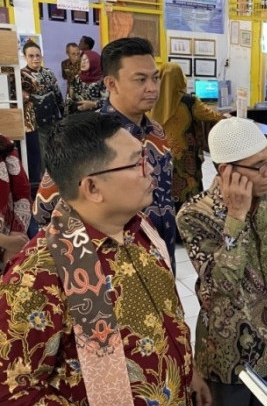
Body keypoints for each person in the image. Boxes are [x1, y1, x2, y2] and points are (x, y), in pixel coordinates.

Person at [0, 112, 211, 406]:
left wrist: (189, 373)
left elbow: (165, 321)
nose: (151, 170)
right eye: (135, 163)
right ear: (92, 187)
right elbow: (10, 395)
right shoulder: (40, 274)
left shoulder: (140, 229)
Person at [176, 117, 267, 406]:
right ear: (225, 170)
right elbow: (219, 284)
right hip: (228, 353)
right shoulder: (194, 215)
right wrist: (236, 215)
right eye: (258, 165)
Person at [33, 37, 177, 269]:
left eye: (155, 78)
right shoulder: (86, 136)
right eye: (140, 79)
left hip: (161, 252)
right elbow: (44, 209)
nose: (152, 88)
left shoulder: (157, 132)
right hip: (110, 266)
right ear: (111, 84)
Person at [150, 62, 227, 214]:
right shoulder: (189, 101)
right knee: (189, 188)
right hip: (185, 156)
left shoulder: (152, 99)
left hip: (160, 152)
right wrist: (225, 117)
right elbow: (210, 115)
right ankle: (188, 220)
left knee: (165, 186)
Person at [19, 40, 64, 194]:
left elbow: (58, 95)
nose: (35, 59)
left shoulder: (49, 73)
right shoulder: (20, 76)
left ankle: (58, 185)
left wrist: (63, 114)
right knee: (41, 157)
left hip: (53, 120)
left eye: (38, 55)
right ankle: (44, 191)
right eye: (31, 56)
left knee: (56, 152)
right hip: (35, 123)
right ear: (25, 57)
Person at [0, 134, 30, 270]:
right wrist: (6, 242)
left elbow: (22, 192)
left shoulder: (4, 144)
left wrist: (16, 234)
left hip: (9, 236)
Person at [64, 49, 106, 115]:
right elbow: (69, 98)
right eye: (82, 59)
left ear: (94, 61)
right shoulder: (77, 78)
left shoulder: (103, 80)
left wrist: (94, 104)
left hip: (97, 117)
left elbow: (109, 101)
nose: (83, 62)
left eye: (86, 60)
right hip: (78, 117)